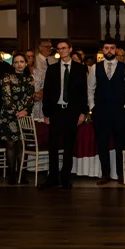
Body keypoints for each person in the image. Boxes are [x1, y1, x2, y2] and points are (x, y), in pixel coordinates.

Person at [40, 39, 88, 190]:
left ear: (70, 49)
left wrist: (83, 113)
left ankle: (65, 177)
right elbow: (47, 92)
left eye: (64, 48)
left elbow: (83, 93)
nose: (62, 51)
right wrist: (46, 113)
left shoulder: (80, 69)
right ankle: (52, 177)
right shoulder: (52, 69)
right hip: (55, 111)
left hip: (72, 112)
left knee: (69, 146)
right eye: (59, 49)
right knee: (52, 146)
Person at [88, 39, 125, 185]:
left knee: (119, 144)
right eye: (106, 48)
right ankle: (105, 174)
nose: (109, 50)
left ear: (116, 50)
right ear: (103, 50)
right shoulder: (95, 68)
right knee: (102, 144)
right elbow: (90, 89)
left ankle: (120, 174)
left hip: (118, 112)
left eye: (112, 48)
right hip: (100, 112)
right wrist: (92, 107)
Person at [0, 53, 34, 185]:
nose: (19, 64)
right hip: (9, 116)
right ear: (13, 64)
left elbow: (30, 98)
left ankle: (21, 174)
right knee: (11, 144)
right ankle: (12, 175)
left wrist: (25, 110)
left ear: (26, 63)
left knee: (22, 144)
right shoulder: (7, 77)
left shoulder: (29, 78)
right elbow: (6, 96)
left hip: (24, 116)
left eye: (22, 61)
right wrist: (16, 112)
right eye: (16, 62)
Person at [25, 50, 45, 121]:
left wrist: (41, 93)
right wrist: (33, 95)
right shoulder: (21, 72)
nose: (30, 58)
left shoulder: (39, 71)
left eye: (32, 56)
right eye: (28, 56)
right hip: (27, 102)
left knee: (39, 127)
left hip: (39, 102)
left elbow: (44, 85)